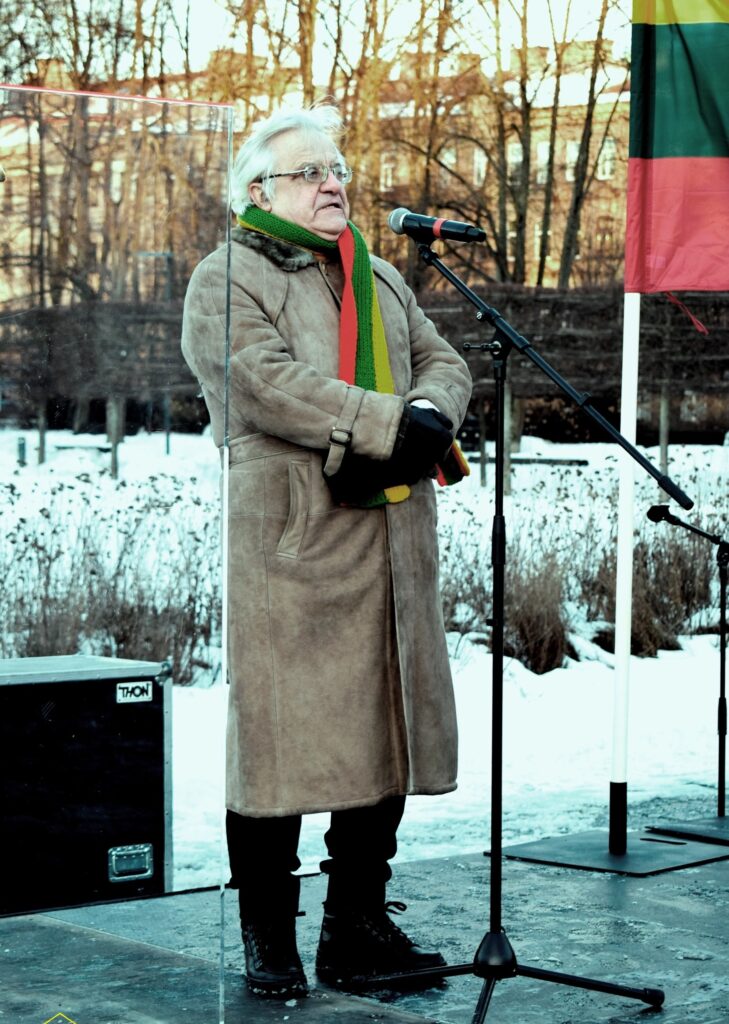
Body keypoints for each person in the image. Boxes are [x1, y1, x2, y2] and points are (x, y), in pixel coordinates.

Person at [181, 104, 472, 1000]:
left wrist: (430, 413)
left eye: (336, 167)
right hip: (294, 546)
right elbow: (261, 382)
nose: (331, 182)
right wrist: (389, 421)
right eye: (308, 171)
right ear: (258, 190)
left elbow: (444, 362)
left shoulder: (376, 276)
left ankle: (357, 925)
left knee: (380, 734)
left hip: (391, 541)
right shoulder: (226, 275)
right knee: (280, 743)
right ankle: (269, 933)